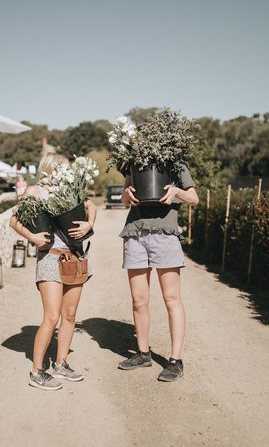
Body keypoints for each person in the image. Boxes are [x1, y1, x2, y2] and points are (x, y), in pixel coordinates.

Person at [9, 153, 97, 391]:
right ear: (48, 168)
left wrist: (89, 224)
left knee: (70, 314)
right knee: (52, 316)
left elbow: (91, 205)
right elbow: (14, 220)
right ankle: (36, 371)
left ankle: (60, 363)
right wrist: (33, 237)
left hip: (75, 256)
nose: (63, 172)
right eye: (60, 168)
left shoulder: (70, 190)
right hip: (50, 258)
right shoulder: (34, 192)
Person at [118, 163, 199, 382]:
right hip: (135, 234)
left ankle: (175, 361)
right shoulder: (132, 165)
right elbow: (124, 200)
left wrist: (176, 192)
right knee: (138, 300)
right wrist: (126, 194)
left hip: (165, 234)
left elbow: (194, 198)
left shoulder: (176, 163)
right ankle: (143, 354)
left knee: (171, 298)